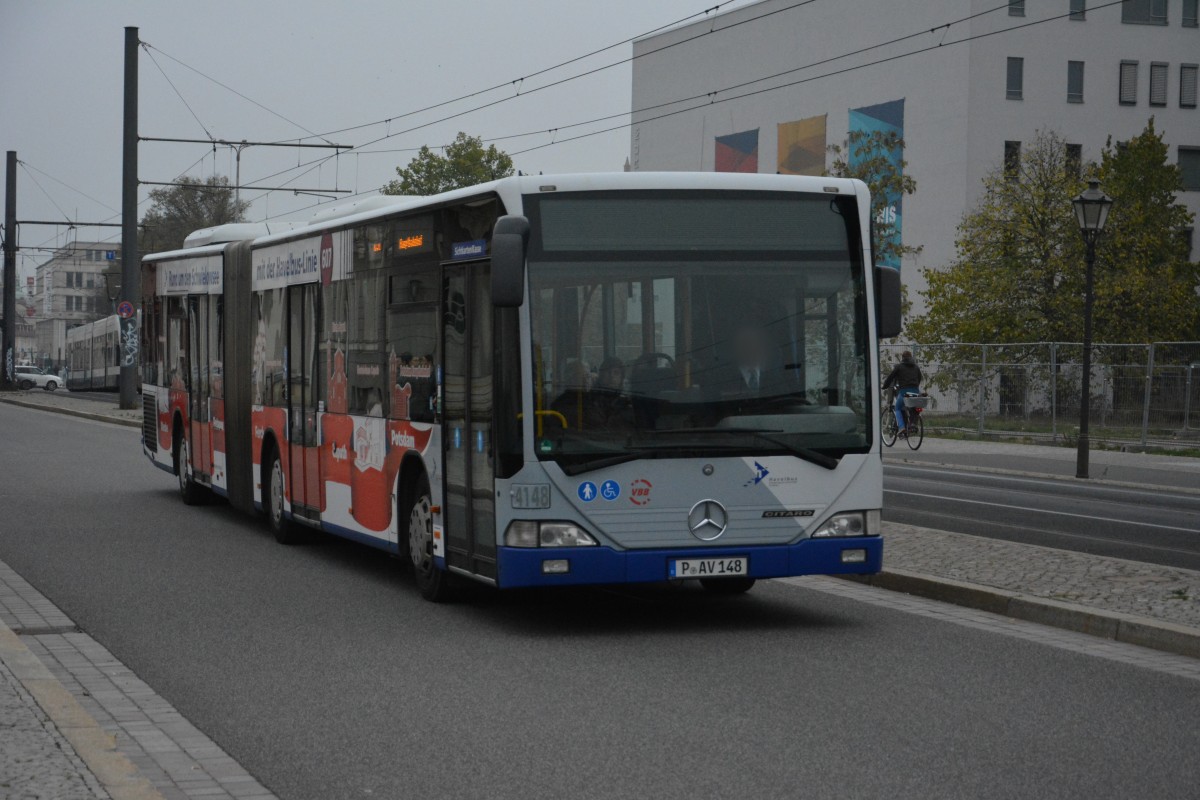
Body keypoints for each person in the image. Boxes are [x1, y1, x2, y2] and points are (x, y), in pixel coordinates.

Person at [882, 351, 922, 436]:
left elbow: (890, 377)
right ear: (911, 358)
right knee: (913, 407)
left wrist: (884, 386)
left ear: (902, 358)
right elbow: (919, 378)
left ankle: (901, 427)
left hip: (904, 391)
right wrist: (915, 386)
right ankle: (913, 424)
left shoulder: (899, 367)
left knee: (897, 408)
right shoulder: (916, 367)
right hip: (915, 391)